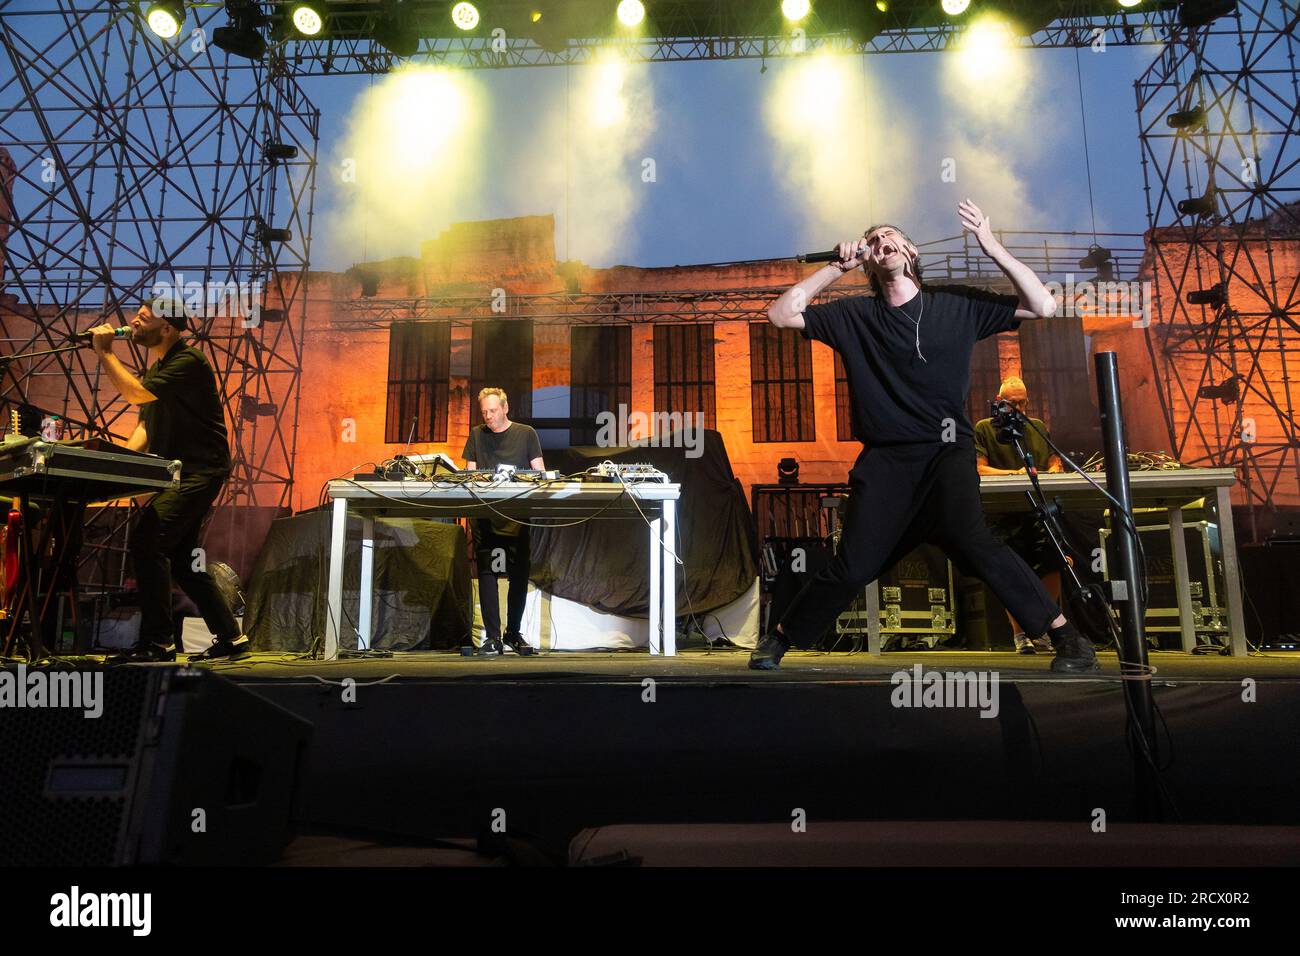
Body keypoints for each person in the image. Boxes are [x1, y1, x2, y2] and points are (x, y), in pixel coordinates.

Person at [749, 199, 1099, 673]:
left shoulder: (956, 304)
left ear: (910, 250)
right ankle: (780, 637)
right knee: (854, 564)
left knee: (976, 543)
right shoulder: (854, 316)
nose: (881, 242)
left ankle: (1070, 640)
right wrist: (835, 268)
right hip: (887, 462)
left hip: (945, 454)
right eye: (872, 241)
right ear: (868, 261)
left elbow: (1044, 305)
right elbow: (781, 315)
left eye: (890, 235)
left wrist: (991, 245)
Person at [89, 295, 249, 662]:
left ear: (167, 328)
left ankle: (159, 642)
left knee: (149, 543)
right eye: (136, 316)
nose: (135, 322)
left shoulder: (188, 361)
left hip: (200, 470)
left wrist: (105, 353)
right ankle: (231, 638)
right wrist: (122, 465)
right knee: (181, 561)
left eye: (144, 318)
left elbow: (134, 395)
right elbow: (145, 424)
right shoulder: (159, 370)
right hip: (178, 474)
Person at [974, 376, 1069, 654]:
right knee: (1014, 571)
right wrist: (1014, 475)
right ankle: (1021, 635)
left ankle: (1044, 628)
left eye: (1021, 402)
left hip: (1038, 509)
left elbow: (1054, 460)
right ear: (999, 401)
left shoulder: (1036, 427)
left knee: (1054, 563)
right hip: (1004, 512)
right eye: (1011, 402)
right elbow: (980, 468)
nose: (1017, 407)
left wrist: (1053, 470)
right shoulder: (984, 429)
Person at [461, 387, 544, 657]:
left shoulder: (526, 434)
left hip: (516, 517)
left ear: (505, 408)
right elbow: (469, 475)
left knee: (518, 574)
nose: (488, 416)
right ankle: (493, 637)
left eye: (493, 411)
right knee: (487, 573)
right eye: (484, 411)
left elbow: (540, 472)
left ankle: (513, 632)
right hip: (486, 517)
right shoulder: (476, 435)